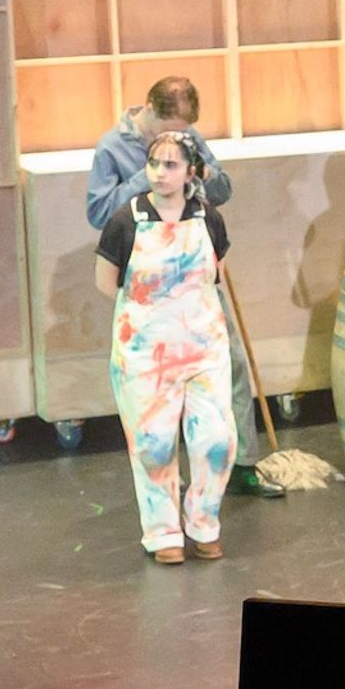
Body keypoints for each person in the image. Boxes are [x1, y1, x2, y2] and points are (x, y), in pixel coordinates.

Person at [97, 130, 236, 567]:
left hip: (203, 347)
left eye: (171, 164)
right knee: (154, 444)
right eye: (155, 163)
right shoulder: (125, 220)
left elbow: (218, 273)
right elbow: (106, 282)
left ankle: (204, 525)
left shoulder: (208, 218)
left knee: (215, 440)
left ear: (190, 172)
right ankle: (162, 533)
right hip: (146, 353)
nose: (160, 173)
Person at [86, 76, 232, 237]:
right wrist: (150, 174)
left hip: (190, 242)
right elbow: (99, 216)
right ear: (150, 109)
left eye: (181, 130)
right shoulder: (112, 147)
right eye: (168, 129)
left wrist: (204, 172)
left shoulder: (187, 135)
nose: (175, 136)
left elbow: (223, 193)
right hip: (137, 248)